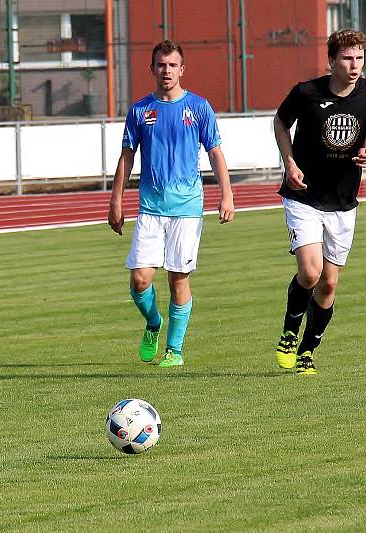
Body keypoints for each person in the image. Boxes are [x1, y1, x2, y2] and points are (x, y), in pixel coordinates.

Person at [108, 40, 235, 368]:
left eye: (172, 65)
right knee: (139, 280)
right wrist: (116, 200)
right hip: (150, 208)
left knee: (178, 277)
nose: (167, 70)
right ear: (152, 69)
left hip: (187, 208)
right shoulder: (139, 111)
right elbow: (126, 158)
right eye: (161, 65)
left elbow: (215, 153)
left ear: (182, 69)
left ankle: (174, 350)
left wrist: (227, 195)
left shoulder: (199, 107)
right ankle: (153, 322)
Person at [273, 29, 366, 374]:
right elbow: (280, 122)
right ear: (332, 61)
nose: (355, 66)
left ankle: (308, 350)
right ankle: (290, 333)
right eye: (348, 59)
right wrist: (289, 162)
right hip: (303, 195)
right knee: (310, 271)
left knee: (330, 283)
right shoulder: (306, 93)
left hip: (343, 200)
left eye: (359, 58)